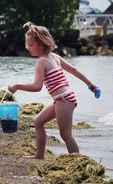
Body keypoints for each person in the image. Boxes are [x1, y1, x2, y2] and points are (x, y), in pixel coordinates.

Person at [8, 21, 98, 159]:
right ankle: (39, 155)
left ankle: (76, 161)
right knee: (38, 122)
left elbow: (37, 87)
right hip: (62, 98)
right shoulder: (55, 57)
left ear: (43, 43)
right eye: (27, 44)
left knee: (65, 134)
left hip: (64, 99)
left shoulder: (41, 62)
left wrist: (17, 86)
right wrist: (90, 85)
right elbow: (74, 70)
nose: (28, 47)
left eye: (31, 45)